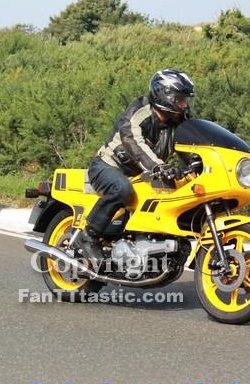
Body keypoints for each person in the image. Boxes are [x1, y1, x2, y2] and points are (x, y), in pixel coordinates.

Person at [72, 69, 196, 263]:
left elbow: (193, 142)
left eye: (185, 100)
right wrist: (158, 166)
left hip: (142, 173)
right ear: (165, 95)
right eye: (180, 99)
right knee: (122, 190)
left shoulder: (180, 120)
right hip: (108, 166)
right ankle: (88, 236)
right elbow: (133, 142)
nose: (184, 105)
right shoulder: (139, 112)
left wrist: (199, 163)